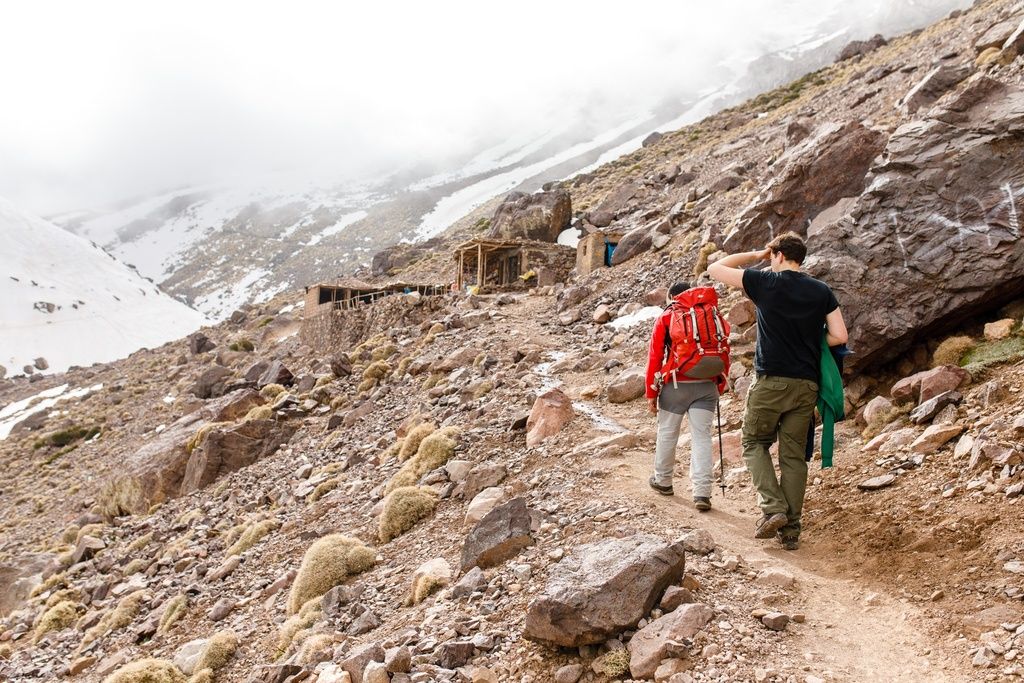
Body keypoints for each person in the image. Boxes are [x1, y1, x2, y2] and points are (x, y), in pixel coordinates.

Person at [708, 232, 847, 550]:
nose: (769, 261)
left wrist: (756, 254)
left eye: (772, 256)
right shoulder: (821, 290)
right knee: (794, 456)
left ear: (780, 255)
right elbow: (839, 335)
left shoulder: (763, 283)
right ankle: (791, 531)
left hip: (771, 380)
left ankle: (773, 510)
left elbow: (716, 267)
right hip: (806, 385)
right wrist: (811, 343)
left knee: (754, 442)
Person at [645, 281, 730, 511]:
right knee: (702, 437)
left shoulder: (668, 315)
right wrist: (720, 382)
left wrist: (651, 392)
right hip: (707, 386)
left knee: (668, 433)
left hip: (676, 384)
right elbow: (724, 349)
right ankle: (702, 493)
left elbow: (655, 357)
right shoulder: (711, 313)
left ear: (672, 296)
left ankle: (663, 481)